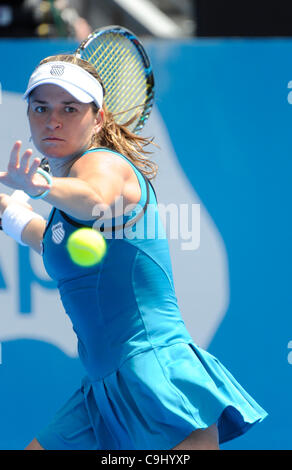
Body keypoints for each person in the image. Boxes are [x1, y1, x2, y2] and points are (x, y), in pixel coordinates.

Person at [0, 54, 267, 450]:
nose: (52, 120)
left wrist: (41, 187)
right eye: (41, 108)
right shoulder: (62, 208)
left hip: (157, 378)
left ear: (99, 118)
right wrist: (8, 213)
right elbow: (48, 237)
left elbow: (92, 198)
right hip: (101, 393)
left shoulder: (106, 164)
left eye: (69, 108)